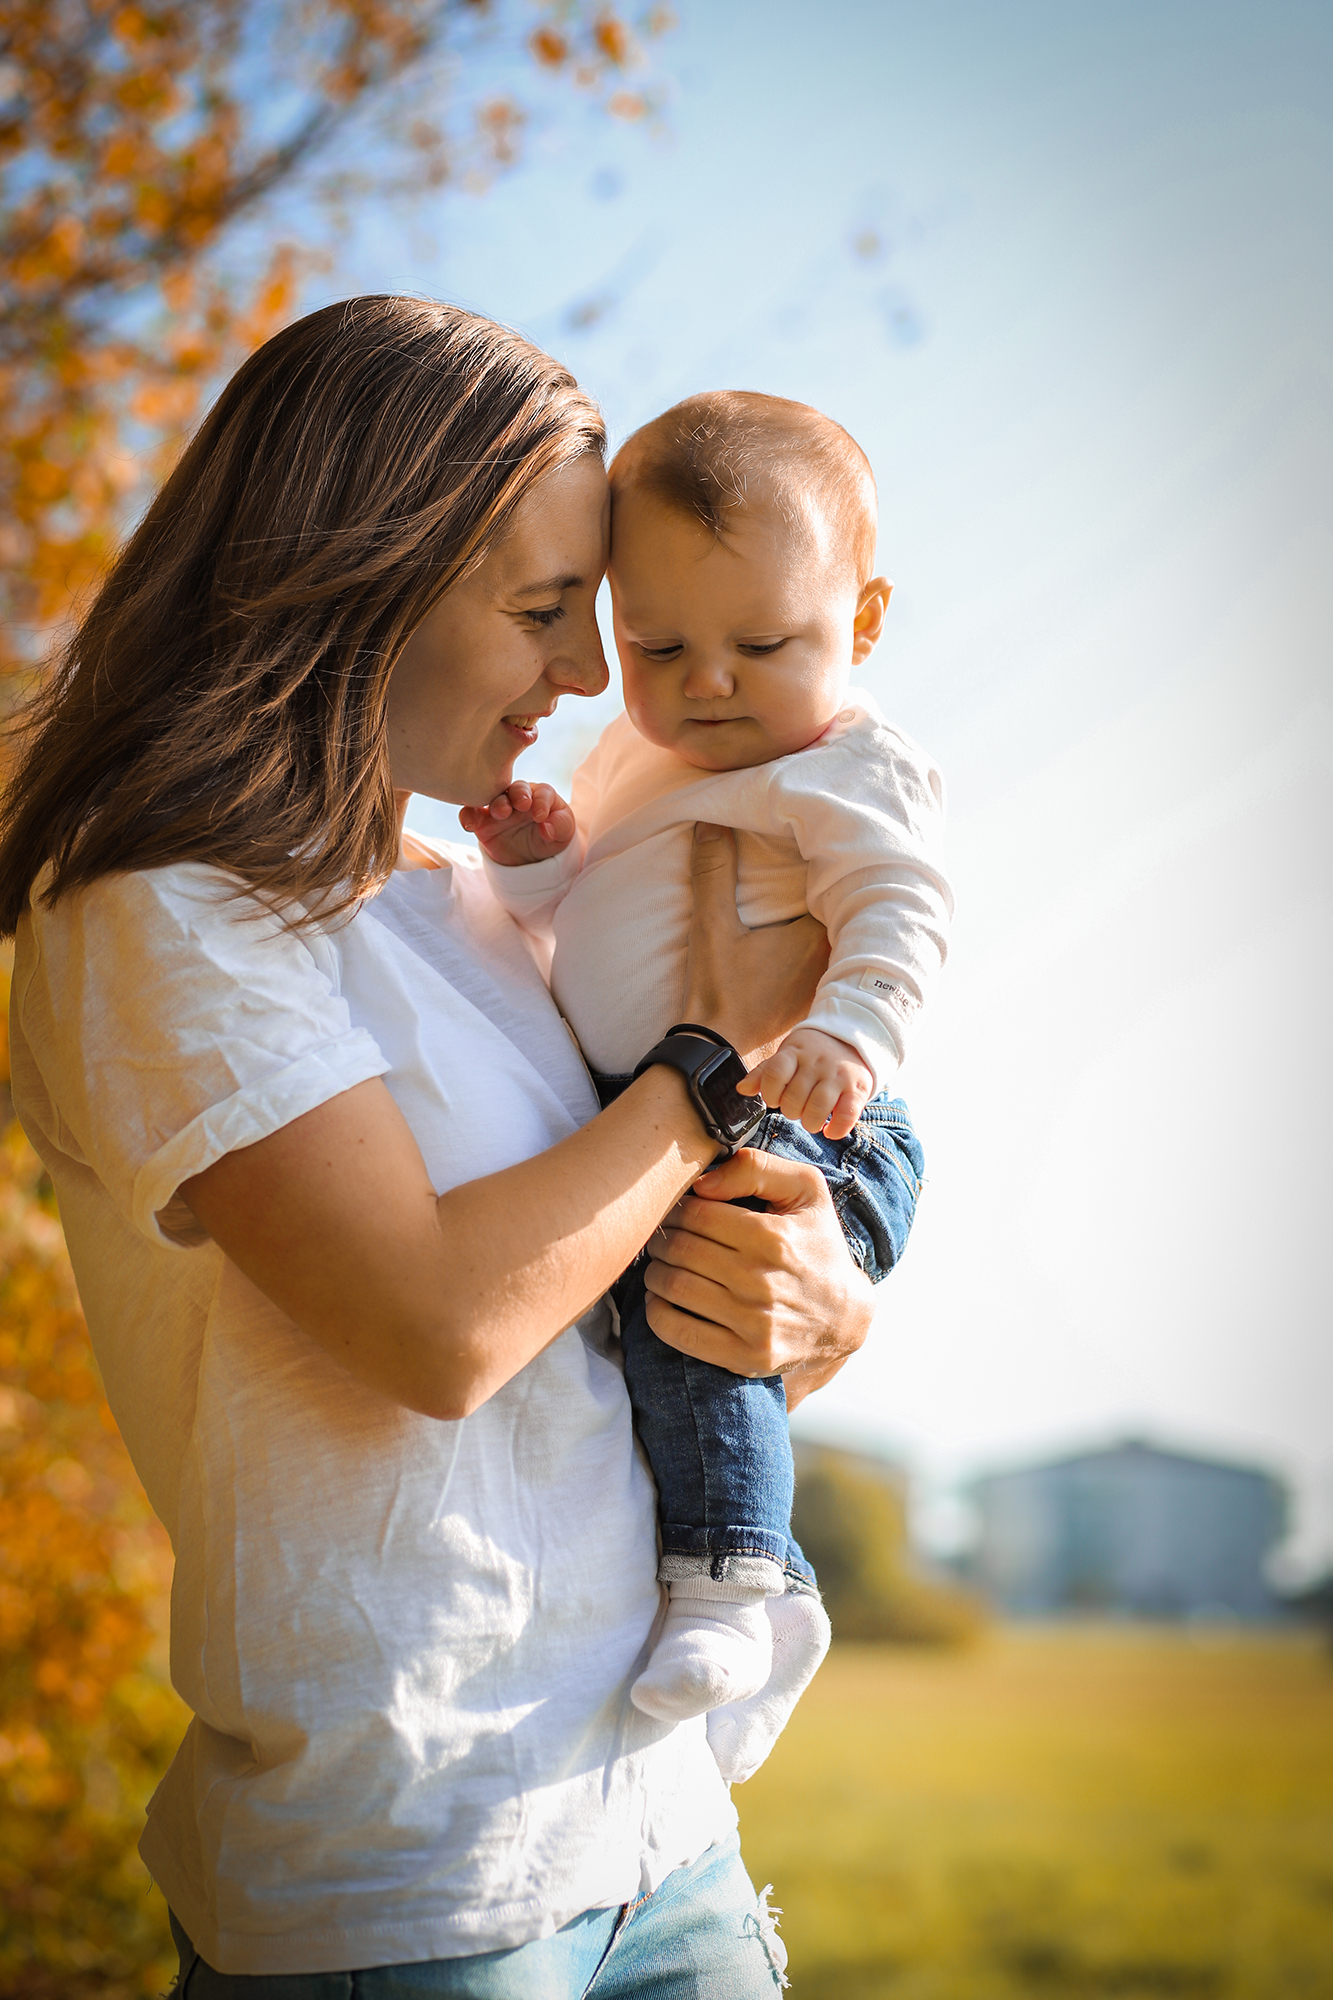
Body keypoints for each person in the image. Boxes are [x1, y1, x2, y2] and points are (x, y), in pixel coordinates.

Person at [0, 299, 881, 1994]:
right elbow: (438, 1327)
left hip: (656, 1829)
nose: (579, 674)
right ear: (357, 583)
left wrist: (816, 1307)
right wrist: (719, 1054)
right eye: (548, 612)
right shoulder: (161, 913)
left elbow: (607, 1308)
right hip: (408, 1883)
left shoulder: (467, 903)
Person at [465, 391, 952, 1734]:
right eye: (657, 642)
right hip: (672, 1095)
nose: (706, 680)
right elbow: (593, 936)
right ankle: (755, 1572)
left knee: (698, 1315)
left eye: (761, 641)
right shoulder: (643, 752)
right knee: (645, 1339)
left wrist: (844, 1032)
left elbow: (902, 909)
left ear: (858, 625)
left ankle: (735, 1586)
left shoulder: (850, 764)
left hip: (808, 1110)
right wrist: (539, 864)